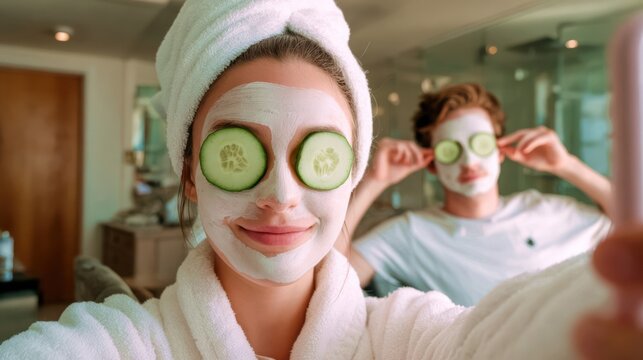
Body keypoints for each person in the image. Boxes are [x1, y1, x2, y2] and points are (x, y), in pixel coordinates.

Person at [0, 1, 641, 359]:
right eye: (237, 153)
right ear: (190, 175)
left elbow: (514, 335)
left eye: (320, 158)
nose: (281, 195)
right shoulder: (114, 346)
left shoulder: (416, 337)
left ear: (350, 171)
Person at [347, 83, 613, 306]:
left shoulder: (550, 212)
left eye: (480, 143)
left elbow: (634, 222)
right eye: (451, 149)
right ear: (432, 163)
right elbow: (329, 281)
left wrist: (567, 165)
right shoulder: (410, 234)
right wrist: (374, 181)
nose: (469, 160)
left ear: (499, 151)